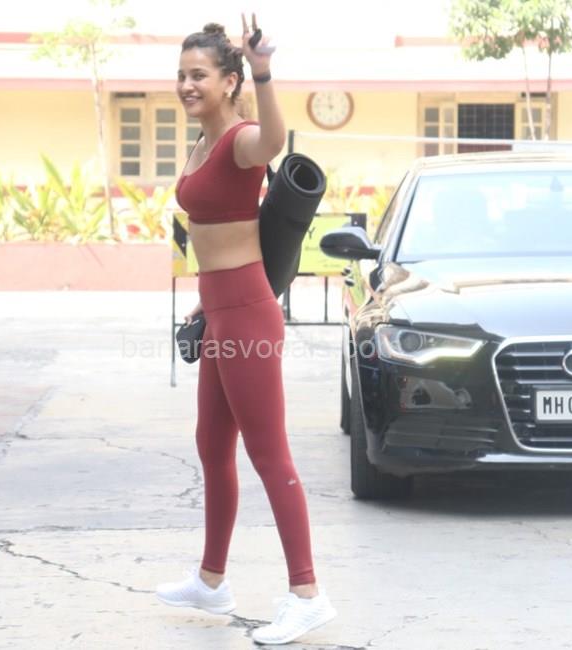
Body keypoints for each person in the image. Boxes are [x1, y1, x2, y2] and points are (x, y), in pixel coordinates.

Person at [154, 14, 337, 646]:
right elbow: (218, 236)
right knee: (211, 443)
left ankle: (307, 594)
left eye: (199, 75)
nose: (186, 85)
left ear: (228, 82)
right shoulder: (204, 142)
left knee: (268, 452)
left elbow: (275, 139)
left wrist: (264, 72)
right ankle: (211, 581)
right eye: (181, 74)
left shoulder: (240, 139)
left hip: (248, 314)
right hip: (221, 310)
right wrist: (205, 306)